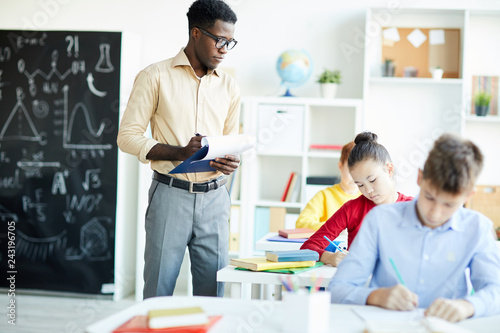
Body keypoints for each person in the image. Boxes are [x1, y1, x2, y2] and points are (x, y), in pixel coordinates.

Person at [117, 0, 240, 298]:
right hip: (170, 197)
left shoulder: (230, 86)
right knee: (158, 293)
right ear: (196, 33)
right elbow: (127, 137)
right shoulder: (154, 76)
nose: (224, 48)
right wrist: (179, 152)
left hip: (216, 199)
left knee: (214, 295)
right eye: (219, 40)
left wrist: (231, 161)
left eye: (230, 42)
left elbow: (231, 140)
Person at [329, 133, 500, 322]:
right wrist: (375, 296)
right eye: (429, 197)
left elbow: (496, 291)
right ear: (420, 177)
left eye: (449, 205)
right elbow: (337, 289)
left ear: (469, 195)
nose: (434, 213)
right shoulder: (379, 221)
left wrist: (468, 306)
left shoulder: (478, 228)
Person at [300, 132, 412, 267]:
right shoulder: (351, 209)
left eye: (372, 180)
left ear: (389, 170)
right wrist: (330, 257)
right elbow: (308, 247)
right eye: (360, 185)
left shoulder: (412, 208)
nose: (368, 190)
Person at [295, 142, 360, 238]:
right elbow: (301, 223)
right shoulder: (325, 196)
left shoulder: (369, 197)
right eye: (351, 169)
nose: (355, 176)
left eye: (360, 170)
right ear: (340, 166)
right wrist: (335, 226)